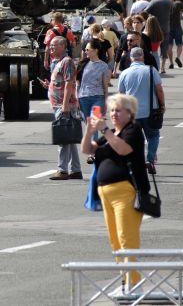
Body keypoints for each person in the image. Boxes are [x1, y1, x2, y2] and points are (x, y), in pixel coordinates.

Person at [80, 94, 149, 293]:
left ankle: (134, 284)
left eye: (118, 110)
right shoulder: (110, 133)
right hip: (106, 192)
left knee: (127, 238)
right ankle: (125, 283)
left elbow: (124, 150)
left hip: (125, 191)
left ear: (130, 113)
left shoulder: (132, 130)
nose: (113, 114)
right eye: (111, 110)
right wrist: (89, 130)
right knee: (115, 240)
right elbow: (87, 150)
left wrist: (105, 130)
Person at [40, 36, 82, 180]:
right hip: (58, 104)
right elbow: (61, 83)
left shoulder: (67, 61)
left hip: (65, 105)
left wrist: (65, 105)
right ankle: (76, 170)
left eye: (54, 46)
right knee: (69, 137)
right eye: (50, 46)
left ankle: (63, 170)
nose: (51, 48)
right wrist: (49, 85)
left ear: (63, 47)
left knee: (63, 137)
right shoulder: (56, 62)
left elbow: (69, 83)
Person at [118, 47, 165, 167]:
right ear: (142, 56)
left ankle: (136, 162)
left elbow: (121, 95)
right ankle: (150, 159)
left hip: (132, 113)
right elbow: (159, 90)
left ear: (131, 58)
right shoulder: (151, 70)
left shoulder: (124, 73)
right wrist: (162, 105)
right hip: (150, 111)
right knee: (153, 135)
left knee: (134, 139)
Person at [77, 40, 110, 136]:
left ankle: (93, 149)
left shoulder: (103, 65)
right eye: (85, 49)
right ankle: (93, 147)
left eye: (88, 49)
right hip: (83, 98)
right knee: (89, 125)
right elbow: (77, 83)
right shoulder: (82, 64)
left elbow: (105, 85)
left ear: (95, 50)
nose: (85, 51)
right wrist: (76, 98)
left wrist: (106, 100)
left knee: (94, 123)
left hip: (97, 98)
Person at [145, 0, 173, 71]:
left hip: (155, 29)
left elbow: (145, 12)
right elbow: (171, 13)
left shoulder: (153, 2)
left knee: (154, 48)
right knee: (164, 47)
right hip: (166, 28)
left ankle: (155, 65)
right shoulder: (169, 2)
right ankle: (163, 67)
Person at [168, 0, 183, 68]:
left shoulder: (166, 3)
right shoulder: (179, 3)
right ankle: (177, 57)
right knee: (179, 44)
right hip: (177, 26)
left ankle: (171, 63)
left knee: (169, 45)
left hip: (168, 27)